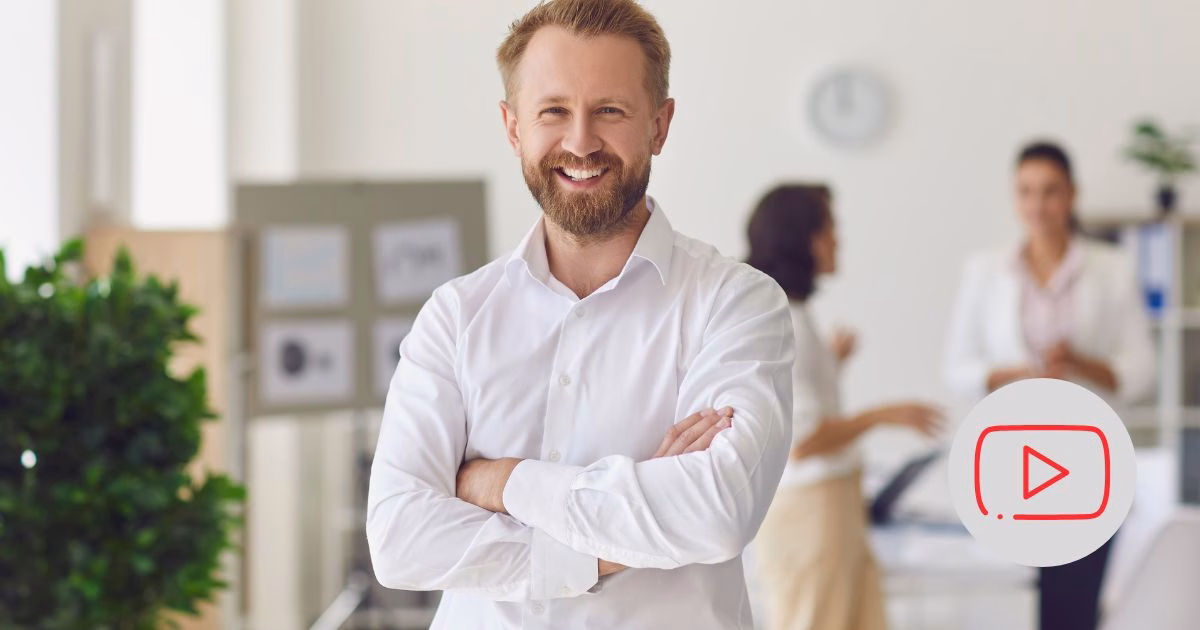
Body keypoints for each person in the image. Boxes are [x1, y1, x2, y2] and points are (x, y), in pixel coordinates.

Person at [365, 2, 796, 628]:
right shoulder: (456, 316)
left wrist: (502, 482)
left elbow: (714, 511)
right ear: (514, 127)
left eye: (610, 111)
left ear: (660, 124)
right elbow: (401, 540)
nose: (580, 142)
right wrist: (613, 541)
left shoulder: (736, 304)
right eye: (553, 112)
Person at [943, 141, 1156, 630]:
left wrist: (1079, 361)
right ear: (1014, 198)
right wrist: (1016, 371)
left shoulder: (1112, 269)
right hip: (1011, 456)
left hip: (1089, 458)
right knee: (1019, 602)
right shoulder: (984, 271)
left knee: (1076, 604)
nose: (1038, 205)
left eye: (1051, 191)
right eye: (1026, 191)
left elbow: (1141, 372)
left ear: (1072, 195)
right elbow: (957, 367)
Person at [746, 184, 943, 630]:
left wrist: (830, 366)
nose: (838, 240)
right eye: (829, 229)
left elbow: (797, 408)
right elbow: (805, 440)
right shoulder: (784, 318)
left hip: (831, 508)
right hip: (813, 512)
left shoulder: (790, 312)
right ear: (803, 239)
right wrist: (884, 415)